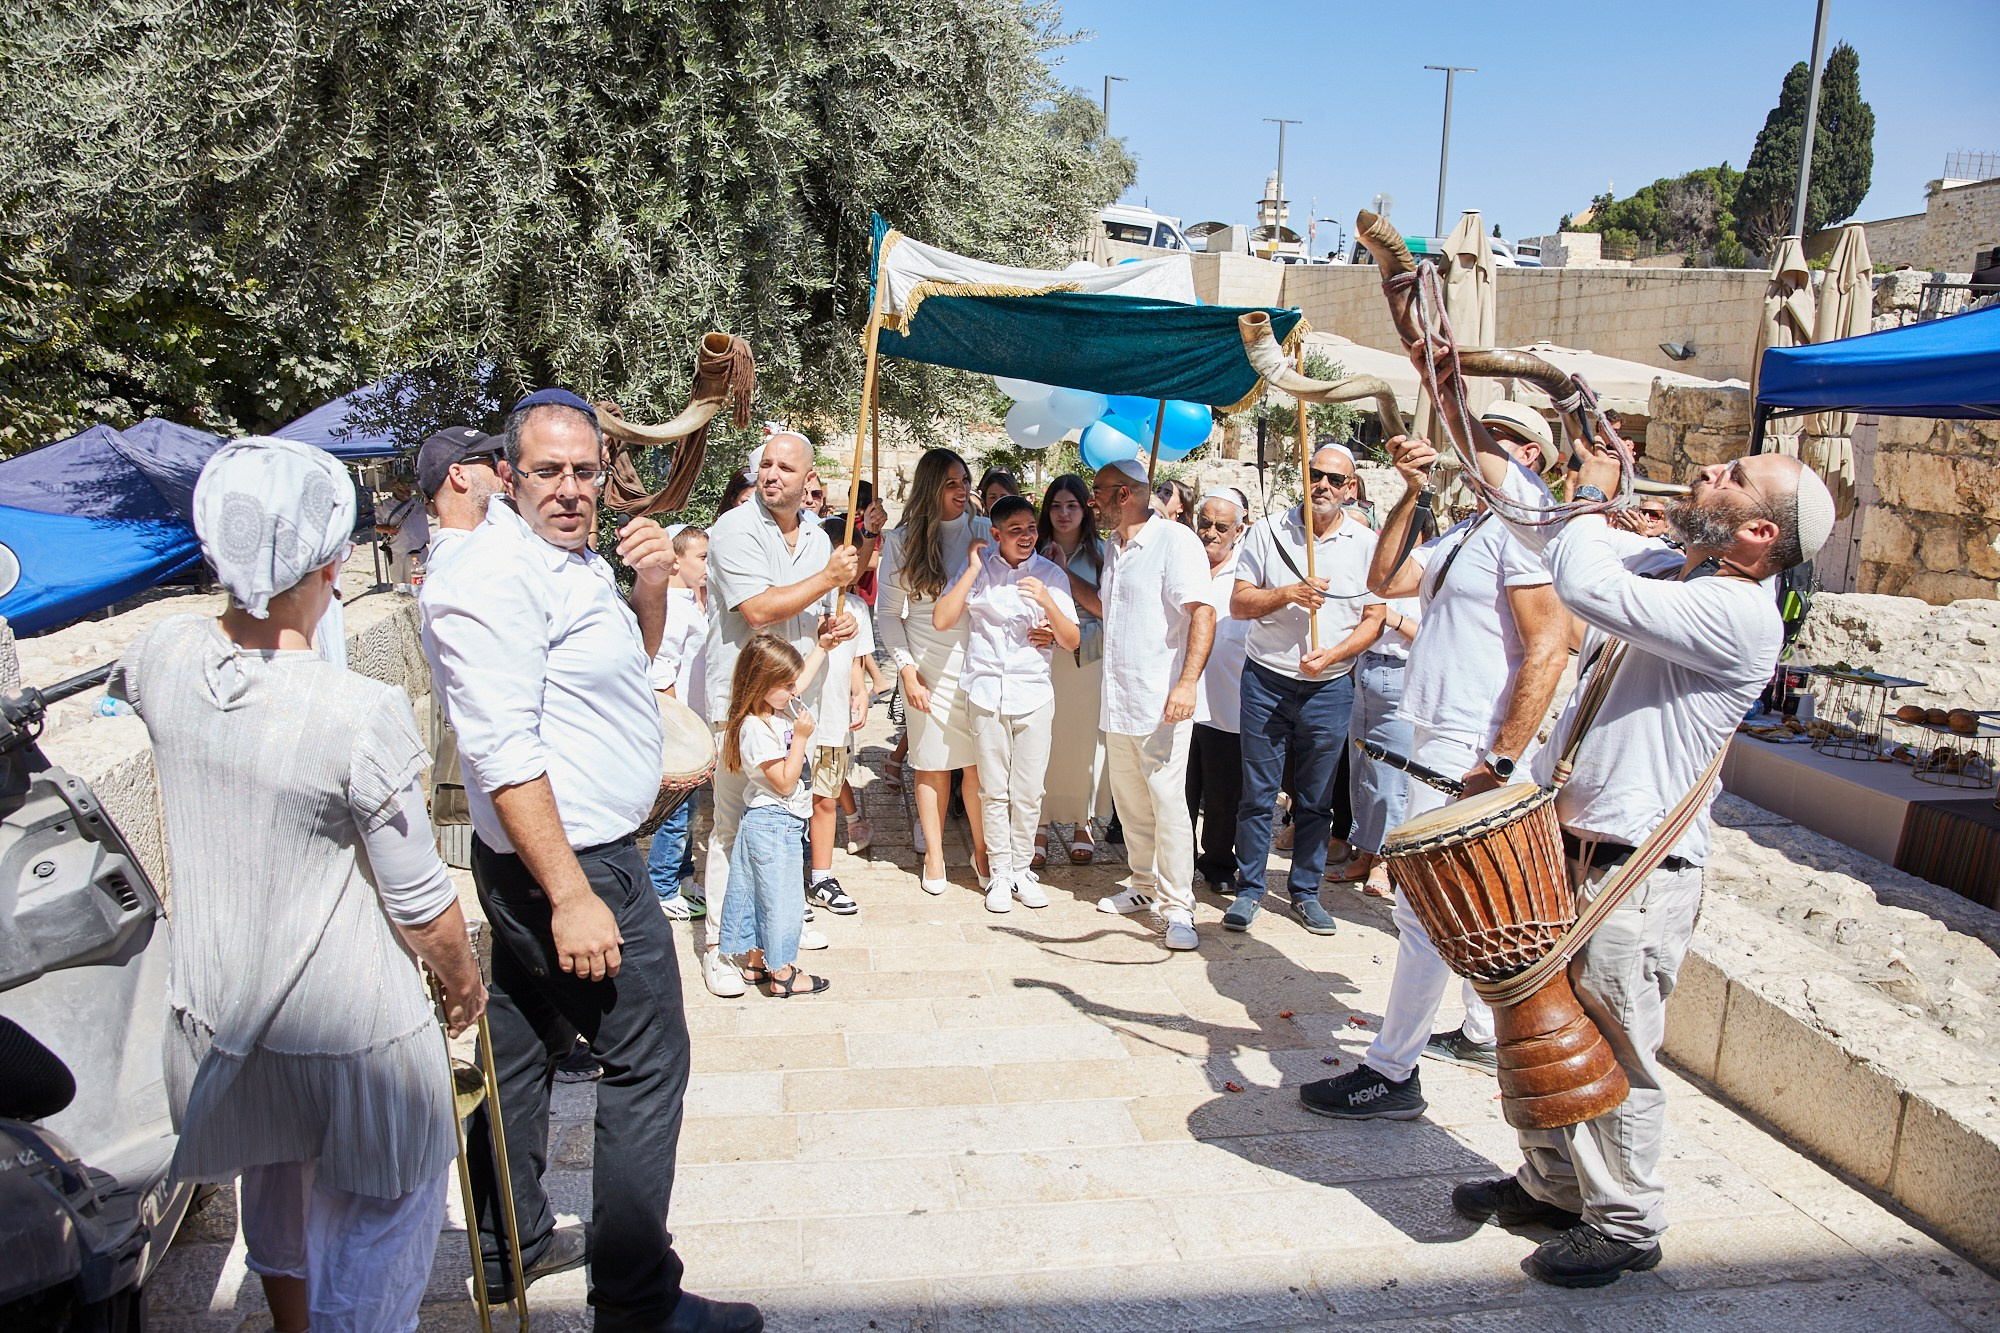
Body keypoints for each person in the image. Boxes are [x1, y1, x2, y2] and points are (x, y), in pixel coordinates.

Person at [1419, 410, 1836, 1288]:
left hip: (1636, 870)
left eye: (1730, 474)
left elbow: (1583, 582)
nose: (1707, 471)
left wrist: (1594, 493)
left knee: (1616, 1047)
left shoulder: (1736, 612)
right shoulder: (1680, 568)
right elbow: (1550, 536)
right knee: (1540, 1031)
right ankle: (1553, 1182)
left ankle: (1626, 1221)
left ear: (1759, 533)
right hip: (1574, 848)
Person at [113, 436, 485, 1333]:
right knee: (383, 1221)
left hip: (231, 1005)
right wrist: (464, 978)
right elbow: (419, 900)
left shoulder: (161, 656)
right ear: (329, 556)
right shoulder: (358, 713)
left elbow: (159, 679)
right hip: (354, 1022)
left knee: (273, 1185)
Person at [422, 388, 761, 1333]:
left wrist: (650, 590)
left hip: (561, 861)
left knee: (523, 1048)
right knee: (650, 1064)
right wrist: (572, 892)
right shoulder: (495, 574)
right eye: (547, 471)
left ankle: (511, 1242)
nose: (570, 489)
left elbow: (618, 677)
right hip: (574, 867)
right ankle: (638, 1303)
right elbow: (505, 752)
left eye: (583, 471)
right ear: (506, 474)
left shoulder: (569, 561)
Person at [1301, 405, 1572, 1120]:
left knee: (1422, 909)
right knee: (1461, 903)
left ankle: (1392, 1070)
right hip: (1441, 735)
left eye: (1498, 440)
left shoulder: (1527, 524)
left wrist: (1505, 756)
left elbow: (1547, 645)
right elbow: (1384, 578)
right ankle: (1481, 1031)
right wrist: (1412, 491)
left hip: (1470, 742)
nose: (1472, 448)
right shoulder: (1470, 526)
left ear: (1531, 460)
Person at [698, 432, 859, 999]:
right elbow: (760, 610)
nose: (771, 474)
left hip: (795, 705)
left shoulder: (818, 540)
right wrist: (830, 580)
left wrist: (830, 629)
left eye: (785, 466)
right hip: (743, 707)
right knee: (730, 827)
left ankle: (774, 934)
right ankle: (723, 947)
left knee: (783, 823)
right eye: (764, 463)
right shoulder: (732, 530)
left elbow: (804, 618)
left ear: (808, 478)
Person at [1222, 444, 1386, 936]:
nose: (1324, 487)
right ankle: (1249, 889)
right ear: (1303, 476)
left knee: (1315, 799)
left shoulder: (1366, 543)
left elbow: (1374, 618)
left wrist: (1334, 655)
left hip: (1330, 686)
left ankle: (1305, 892)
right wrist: (1288, 593)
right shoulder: (1269, 532)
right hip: (1267, 679)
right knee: (1257, 793)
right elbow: (1239, 603)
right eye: (1316, 475)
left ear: (1350, 488)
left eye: (1336, 480)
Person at [1089, 458, 1214, 951]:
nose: (1092, 499)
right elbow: (1115, 611)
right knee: (1131, 801)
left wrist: (1186, 684)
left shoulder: (1175, 541)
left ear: (1125, 495)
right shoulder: (1115, 548)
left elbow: (1202, 612)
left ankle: (1178, 904)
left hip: (1162, 701)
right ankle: (1142, 885)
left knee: (1168, 803)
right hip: (1119, 700)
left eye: (1099, 491)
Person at [933, 494, 1079, 912]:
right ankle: (999, 872)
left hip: (1033, 692)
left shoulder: (1051, 573)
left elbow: (1071, 641)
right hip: (985, 692)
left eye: (1031, 528)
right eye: (1015, 530)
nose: (1026, 536)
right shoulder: (978, 570)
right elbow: (943, 620)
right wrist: (974, 568)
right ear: (995, 534)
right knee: (993, 790)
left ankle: (1021, 868)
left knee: (1029, 790)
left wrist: (1047, 601)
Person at [877, 448, 994, 894]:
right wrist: (906, 670)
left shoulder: (984, 531)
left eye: (965, 480)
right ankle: (936, 855)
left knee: (978, 769)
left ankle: (982, 852)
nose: (962, 489)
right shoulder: (902, 540)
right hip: (926, 663)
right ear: (930, 488)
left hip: (980, 661)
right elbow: (888, 614)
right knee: (930, 765)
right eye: (950, 483)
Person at [718, 631, 841, 998]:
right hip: (773, 824)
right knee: (782, 900)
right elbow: (785, 783)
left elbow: (798, 678)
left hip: (771, 824)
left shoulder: (772, 708)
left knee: (757, 893)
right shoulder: (756, 729)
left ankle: (756, 962)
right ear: (762, 683)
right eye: (786, 686)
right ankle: (784, 972)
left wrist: (823, 646)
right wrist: (801, 737)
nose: (794, 692)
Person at [1035, 474, 1111, 866]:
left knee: (1083, 742)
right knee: (1044, 739)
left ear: (1086, 510)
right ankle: (1040, 823)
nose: (1064, 514)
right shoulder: (1033, 549)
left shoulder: (1103, 552)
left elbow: (1105, 608)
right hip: (1045, 659)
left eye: (1072, 506)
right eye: (1056, 506)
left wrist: (1063, 573)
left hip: (1086, 661)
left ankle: (1083, 822)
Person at [1185, 486, 1251, 898]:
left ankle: (1218, 863)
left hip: (1229, 699)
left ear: (1238, 530)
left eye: (1221, 526)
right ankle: (1175, 861)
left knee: (1225, 792)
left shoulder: (1248, 570)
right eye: (1204, 523)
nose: (1210, 532)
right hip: (1183, 696)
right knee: (1179, 789)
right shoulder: (1184, 561)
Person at [805, 514, 872, 913]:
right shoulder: (804, 600)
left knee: (826, 798)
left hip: (833, 719)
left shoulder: (858, 607)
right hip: (799, 716)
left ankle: (821, 875)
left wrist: (860, 690)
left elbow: (855, 663)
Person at [1336, 589, 1420, 898]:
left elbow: (1430, 634)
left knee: (1391, 776)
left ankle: (1385, 860)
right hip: (1365, 668)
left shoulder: (1428, 570)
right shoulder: (1376, 577)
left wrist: (1390, 617)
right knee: (1361, 771)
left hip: (1401, 673)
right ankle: (1366, 851)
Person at [646, 524, 711, 921]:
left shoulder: (690, 602)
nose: (707, 564)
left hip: (695, 724)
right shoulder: (670, 608)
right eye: (701, 557)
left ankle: (683, 875)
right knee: (677, 813)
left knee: (689, 809)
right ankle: (662, 884)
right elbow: (661, 671)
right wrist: (680, 731)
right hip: (681, 729)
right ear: (676, 560)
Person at [416, 425, 505, 574]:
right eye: (493, 462)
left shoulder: (474, 547)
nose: (503, 471)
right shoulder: (461, 560)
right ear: (459, 476)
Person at [376, 474, 429, 584]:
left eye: (409, 489)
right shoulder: (384, 506)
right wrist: (388, 529)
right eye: (404, 490)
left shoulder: (418, 503)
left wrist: (427, 498)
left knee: (420, 586)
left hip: (420, 553)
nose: (408, 492)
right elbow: (376, 526)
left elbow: (435, 513)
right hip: (400, 554)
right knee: (401, 587)